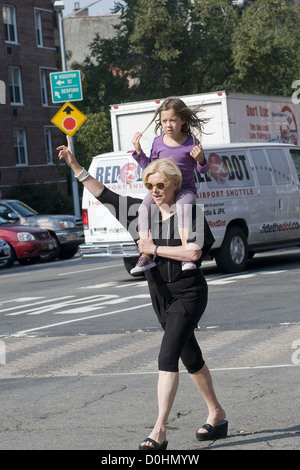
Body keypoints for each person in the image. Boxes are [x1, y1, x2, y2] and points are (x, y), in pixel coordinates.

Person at [57, 136, 227, 451]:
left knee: (167, 355)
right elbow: (103, 193)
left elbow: (193, 253)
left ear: (175, 183)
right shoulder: (140, 214)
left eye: (160, 185)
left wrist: (153, 248)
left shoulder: (190, 213)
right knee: (190, 356)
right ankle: (217, 414)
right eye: (149, 186)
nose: (154, 191)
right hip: (160, 295)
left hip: (189, 293)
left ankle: (159, 431)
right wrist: (76, 166)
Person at [130, 96, 210, 275]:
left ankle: (186, 254)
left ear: (183, 120)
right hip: (162, 189)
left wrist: (201, 160)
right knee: (143, 208)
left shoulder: (192, 142)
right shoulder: (158, 142)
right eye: (164, 121)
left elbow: (203, 170)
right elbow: (150, 169)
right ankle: (145, 255)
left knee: (183, 206)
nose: (168, 125)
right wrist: (138, 151)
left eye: (173, 120)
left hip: (184, 190)